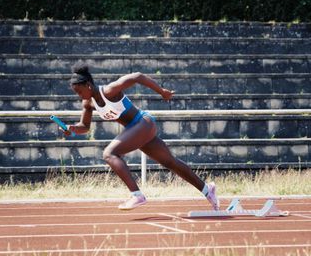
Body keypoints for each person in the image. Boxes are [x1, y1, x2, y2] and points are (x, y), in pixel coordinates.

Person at [61, 63, 219, 211]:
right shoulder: (88, 103)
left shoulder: (109, 90)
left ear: (88, 85)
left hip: (144, 122)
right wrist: (72, 129)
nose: (79, 96)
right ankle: (207, 189)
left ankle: (137, 195)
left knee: (109, 154)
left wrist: (161, 92)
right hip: (136, 130)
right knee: (170, 162)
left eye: (80, 91)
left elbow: (137, 76)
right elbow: (85, 127)